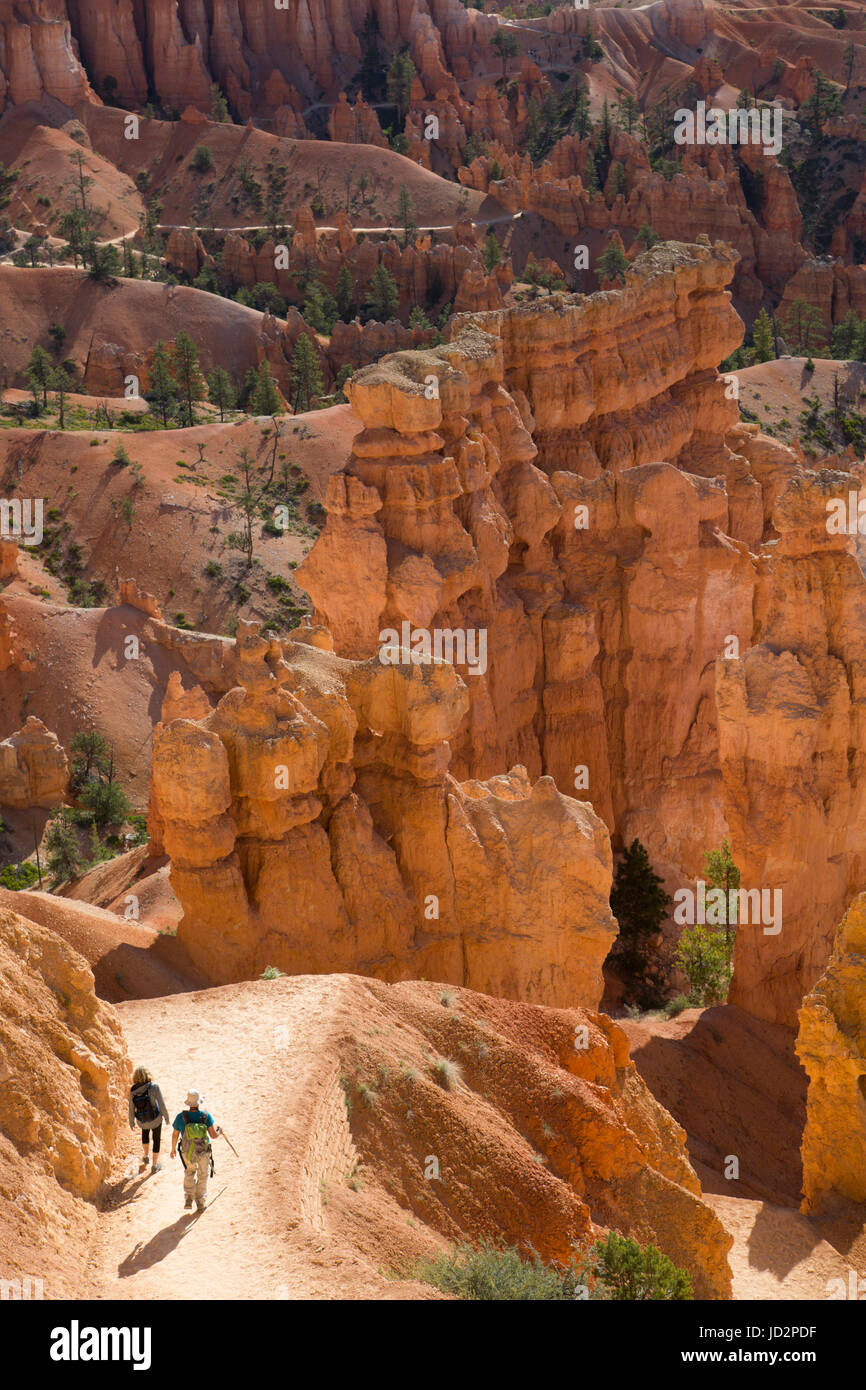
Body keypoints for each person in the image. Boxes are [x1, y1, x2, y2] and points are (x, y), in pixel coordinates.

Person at [170, 1089, 221, 1212]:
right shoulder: (205, 1116)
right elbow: (213, 1135)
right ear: (198, 1103)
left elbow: (175, 1135)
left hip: (187, 1151)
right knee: (203, 1175)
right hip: (203, 1151)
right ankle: (201, 1203)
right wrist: (220, 1131)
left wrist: (173, 1149)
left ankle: (188, 1198)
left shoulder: (180, 1117)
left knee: (189, 1172)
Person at [129, 1066, 170, 1174]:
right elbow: (161, 1103)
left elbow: (131, 1107)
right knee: (156, 1140)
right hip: (155, 1119)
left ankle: (146, 1156)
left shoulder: (133, 1090)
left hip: (142, 1120)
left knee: (145, 1134)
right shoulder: (154, 1087)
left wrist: (131, 1121)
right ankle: (154, 1165)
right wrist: (166, 1117)